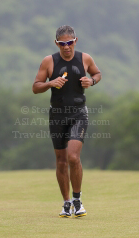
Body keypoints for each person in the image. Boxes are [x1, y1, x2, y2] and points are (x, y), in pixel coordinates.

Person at [32, 25, 101, 218]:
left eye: (70, 42)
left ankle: (78, 200)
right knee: (61, 162)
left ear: (75, 41)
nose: (67, 47)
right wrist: (50, 83)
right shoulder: (49, 62)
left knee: (72, 157)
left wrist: (92, 81)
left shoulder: (85, 58)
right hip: (57, 116)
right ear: (57, 44)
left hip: (78, 113)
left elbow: (97, 73)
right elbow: (35, 87)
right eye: (62, 43)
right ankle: (66, 203)